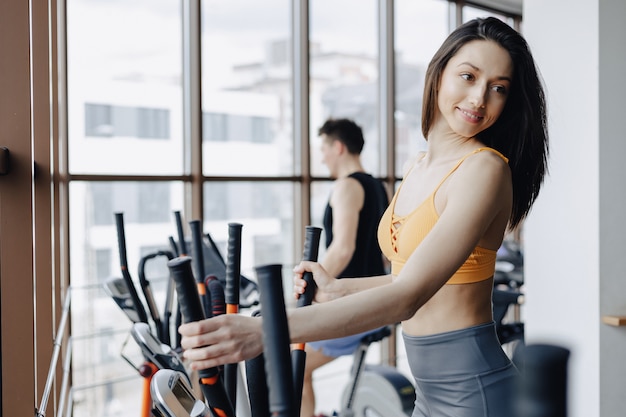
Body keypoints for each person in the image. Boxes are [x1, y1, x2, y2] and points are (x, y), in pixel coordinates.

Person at [179, 16, 548, 416]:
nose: (479, 98)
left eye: (498, 88)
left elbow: (408, 296)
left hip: (475, 393)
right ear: (439, 74)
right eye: (468, 76)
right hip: (431, 393)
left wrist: (265, 331)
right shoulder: (418, 165)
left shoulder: (485, 170)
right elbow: (417, 277)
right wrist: (342, 289)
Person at [303, 118, 389, 417]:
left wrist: (309, 283)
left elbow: (342, 249)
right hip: (369, 302)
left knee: (293, 364)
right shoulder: (377, 187)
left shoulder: (347, 186)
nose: (322, 157)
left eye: (324, 149)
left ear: (338, 147)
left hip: (354, 306)